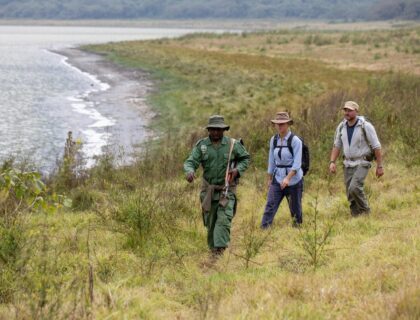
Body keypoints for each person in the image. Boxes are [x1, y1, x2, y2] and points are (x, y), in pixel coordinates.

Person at [184, 115, 250, 257]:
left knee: (223, 218)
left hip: (227, 189)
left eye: (218, 130)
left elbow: (245, 158)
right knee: (211, 221)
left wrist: (237, 170)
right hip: (208, 190)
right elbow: (190, 161)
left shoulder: (233, 144)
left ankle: (219, 250)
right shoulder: (201, 146)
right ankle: (213, 249)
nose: (215, 132)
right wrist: (189, 172)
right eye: (213, 129)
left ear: (224, 130)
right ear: (209, 130)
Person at [329, 101, 384, 216]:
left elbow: (376, 146)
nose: (347, 113)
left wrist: (379, 166)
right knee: (350, 193)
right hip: (347, 163)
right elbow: (336, 145)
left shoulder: (365, 126)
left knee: (354, 188)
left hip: (363, 162)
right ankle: (356, 217)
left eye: (350, 110)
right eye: (345, 110)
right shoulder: (341, 127)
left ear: (356, 111)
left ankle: (366, 211)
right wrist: (332, 162)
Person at [261, 112, 304, 228]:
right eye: (277, 124)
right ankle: (264, 230)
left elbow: (297, 163)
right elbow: (271, 160)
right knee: (270, 204)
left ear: (288, 124)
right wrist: (269, 178)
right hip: (278, 178)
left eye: (282, 124)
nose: (279, 126)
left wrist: (288, 178)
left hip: (294, 180)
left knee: (295, 209)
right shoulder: (273, 140)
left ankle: (298, 230)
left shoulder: (295, 141)